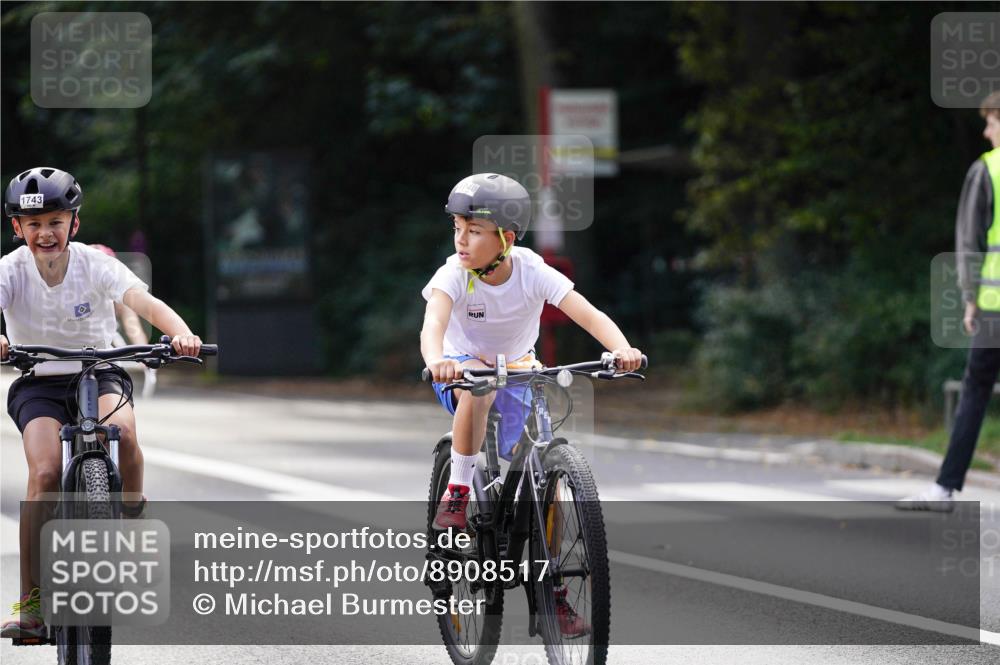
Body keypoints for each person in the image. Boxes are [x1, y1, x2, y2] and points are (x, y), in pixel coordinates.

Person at [420, 172, 642, 636]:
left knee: (548, 473)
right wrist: (438, 361)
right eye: (457, 228)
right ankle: (459, 489)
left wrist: (622, 349)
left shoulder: (531, 270)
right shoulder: (453, 275)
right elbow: (433, 325)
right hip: (463, 368)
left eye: (474, 231)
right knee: (478, 393)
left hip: (520, 368)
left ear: (507, 237)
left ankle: (552, 596)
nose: (461, 239)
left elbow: (586, 312)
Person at [0, 167, 203, 637]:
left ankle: (131, 511)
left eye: (55, 221)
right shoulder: (10, 270)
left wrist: (181, 335)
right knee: (45, 473)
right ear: (17, 229)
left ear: (74, 223)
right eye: (33, 225)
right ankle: (31, 603)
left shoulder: (96, 263)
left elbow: (143, 302)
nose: (45, 233)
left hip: (99, 370)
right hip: (40, 380)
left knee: (126, 433)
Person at [897, 91, 1000, 512]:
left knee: (975, 391)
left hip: (996, 307)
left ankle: (944, 489)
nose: (986, 129)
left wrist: (969, 298)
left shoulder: (987, 170)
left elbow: (968, 242)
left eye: (992, 121)